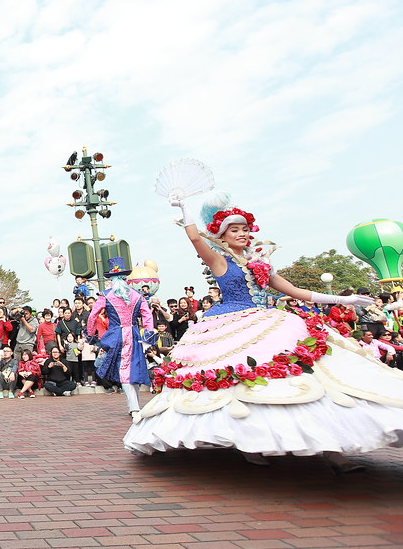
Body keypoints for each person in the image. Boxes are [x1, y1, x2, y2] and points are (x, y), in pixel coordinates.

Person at [129, 188, 403, 472]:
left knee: (310, 380)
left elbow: (296, 291)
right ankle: (251, 443)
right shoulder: (220, 261)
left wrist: (343, 300)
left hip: (271, 323)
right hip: (231, 326)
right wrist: (184, 209)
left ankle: (333, 452)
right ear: (222, 235)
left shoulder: (261, 264)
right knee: (244, 386)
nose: (242, 234)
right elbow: (196, 239)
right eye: (234, 230)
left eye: (245, 229)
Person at [87, 258, 155, 420]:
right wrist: (148, 335)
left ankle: (134, 407)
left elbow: (92, 316)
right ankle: (134, 405)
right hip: (134, 335)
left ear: (111, 279)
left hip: (116, 336)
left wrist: (91, 334)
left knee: (123, 370)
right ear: (125, 278)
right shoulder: (137, 295)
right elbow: (147, 316)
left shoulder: (106, 295)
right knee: (133, 369)